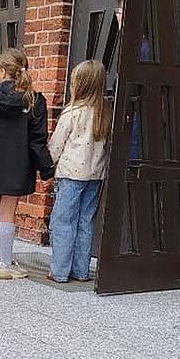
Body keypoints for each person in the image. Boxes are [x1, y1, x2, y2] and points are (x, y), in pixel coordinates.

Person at [0, 48, 56, 280]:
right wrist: (47, 169)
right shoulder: (34, 100)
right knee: (8, 212)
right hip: (18, 165)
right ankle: (6, 263)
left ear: (2, 71)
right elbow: (38, 140)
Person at [48, 60, 112, 283]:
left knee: (63, 221)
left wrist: (45, 164)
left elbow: (56, 146)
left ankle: (59, 270)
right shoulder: (105, 113)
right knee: (86, 220)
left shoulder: (72, 113)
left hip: (71, 175)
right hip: (95, 175)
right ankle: (81, 270)